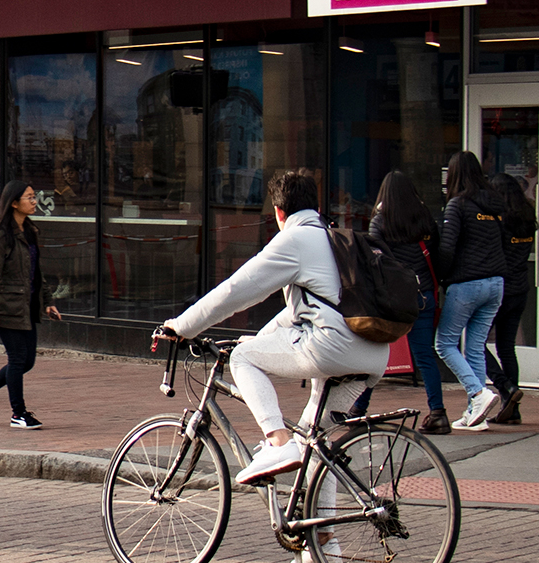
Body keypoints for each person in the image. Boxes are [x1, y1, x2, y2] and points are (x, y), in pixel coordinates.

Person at [157, 169, 390, 492]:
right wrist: (257, 340)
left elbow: (238, 289)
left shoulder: (294, 239)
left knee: (242, 359)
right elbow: (297, 312)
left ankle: (277, 443)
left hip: (332, 347)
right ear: (315, 205)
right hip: (374, 353)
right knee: (312, 443)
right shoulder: (335, 236)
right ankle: (323, 539)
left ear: (279, 212)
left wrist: (182, 326)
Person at [0, 179, 61, 429]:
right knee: (18, 359)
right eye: (29, 198)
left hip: (27, 305)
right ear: (13, 203)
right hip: (7, 306)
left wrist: (47, 302)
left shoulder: (30, 231)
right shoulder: (1, 234)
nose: (34, 202)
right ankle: (18, 413)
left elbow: (36, 272)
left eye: (34, 197)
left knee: (26, 361)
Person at [434, 152, 509, 430]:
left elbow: (448, 249)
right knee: (475, 346)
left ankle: (478, 395)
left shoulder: (457, 205)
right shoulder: (494, 204)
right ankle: (476, 415)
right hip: (496, 283)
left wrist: (440, 277)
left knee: (444, 344)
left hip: (467, 284)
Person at [368, 171, 447, 434]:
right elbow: (436, 255)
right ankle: (438, 413)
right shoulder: (424, 218)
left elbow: (376, 259)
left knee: (377, 352)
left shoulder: (380, 221)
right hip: (423, 294)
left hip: (394, 297)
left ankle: (358, 408)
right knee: (425, 355)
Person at [485, 170, 538, 425]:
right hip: (520, 288)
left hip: (500, 287)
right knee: (507, 347)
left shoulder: (499, 221)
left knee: (472, 344)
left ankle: (504, 386)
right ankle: (511, 408)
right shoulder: (526, 218)